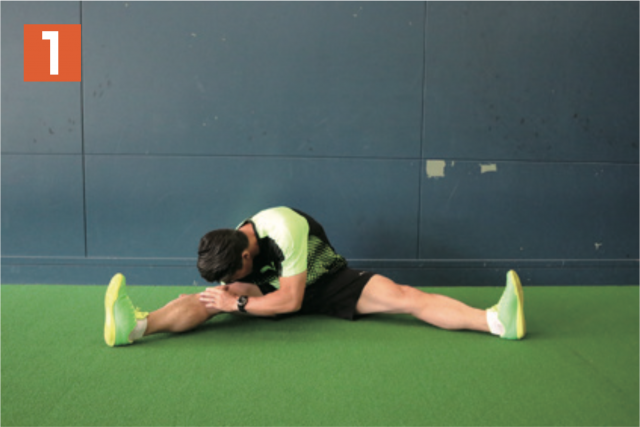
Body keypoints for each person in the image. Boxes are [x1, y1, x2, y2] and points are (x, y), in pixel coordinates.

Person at [104, 206, 525, 347]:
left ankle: (495, 321)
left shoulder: (282, 228)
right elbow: (253, 292)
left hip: (328, 283)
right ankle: (136, 327)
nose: (229, 279)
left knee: (405, 296)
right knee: (206, 301)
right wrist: (226, 296)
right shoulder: (232, 243)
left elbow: (291, 301)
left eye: (233, 273)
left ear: (246, 254)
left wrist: (239, 302)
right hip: (276, 288)